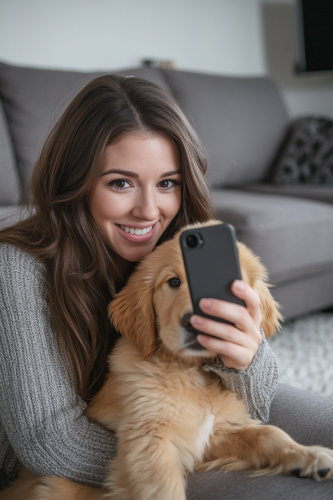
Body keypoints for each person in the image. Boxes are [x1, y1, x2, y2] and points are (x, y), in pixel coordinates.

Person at [0, 75, 331, 498]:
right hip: (82, 459)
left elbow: (258, 403)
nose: (148, 211)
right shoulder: (18, 267)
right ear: (76, 183)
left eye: (167, 183)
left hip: (188, 410)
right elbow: (49, 441)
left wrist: (246, 360)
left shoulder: (177, 246)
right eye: (121, 183)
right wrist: (171, 452)